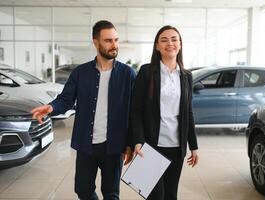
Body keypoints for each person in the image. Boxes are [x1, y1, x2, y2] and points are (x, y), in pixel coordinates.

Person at [31, 20, 136, 200]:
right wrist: (50, 107)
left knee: (111, 193)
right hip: (86, 144)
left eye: (116, 40)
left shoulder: (128, 74)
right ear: (96, 42)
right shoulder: (81, 73)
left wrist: (131, 143)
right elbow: (65, 100)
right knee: (82, 190)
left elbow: (134, 112)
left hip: (114, 145)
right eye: (108, 41)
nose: (114, 45)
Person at [130, 25, 199, 200]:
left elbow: (187, 112)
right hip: (151, 145)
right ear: (157, 46)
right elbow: (136, 110)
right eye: (164, 39)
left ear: (180, 44)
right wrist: (137, 141)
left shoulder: (186, 76)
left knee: (170, 195)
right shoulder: (147, 72)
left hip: (177, 146)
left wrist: (194, 146)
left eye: (174, 39)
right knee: (155, 196)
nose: (170, 43)